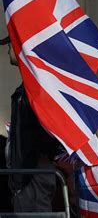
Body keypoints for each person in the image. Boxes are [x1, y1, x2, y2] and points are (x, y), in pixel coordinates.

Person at [2, 36, 61, 212]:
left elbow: (50, 132)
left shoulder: (37, 89)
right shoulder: (28, 88)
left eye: (10, 44)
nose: (7, 50)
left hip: (33, 177)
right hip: (25, 178)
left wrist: (32, 165)